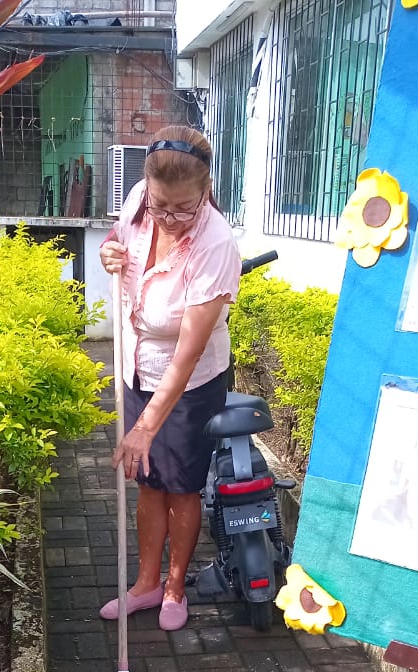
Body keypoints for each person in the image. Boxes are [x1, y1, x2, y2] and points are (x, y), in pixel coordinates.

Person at [98, 125, 242, 631]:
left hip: (191, 382)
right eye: (161, 206)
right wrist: (109, 252)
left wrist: (146, 426)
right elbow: (118, 242)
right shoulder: (142, 197)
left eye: (183, 208)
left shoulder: (216, 244)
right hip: (137, 365)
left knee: (180, 486)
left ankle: (176, 586)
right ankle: (146, 584)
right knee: (148, 482)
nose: (169, 218)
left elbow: (187, 353)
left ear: (206, 191)